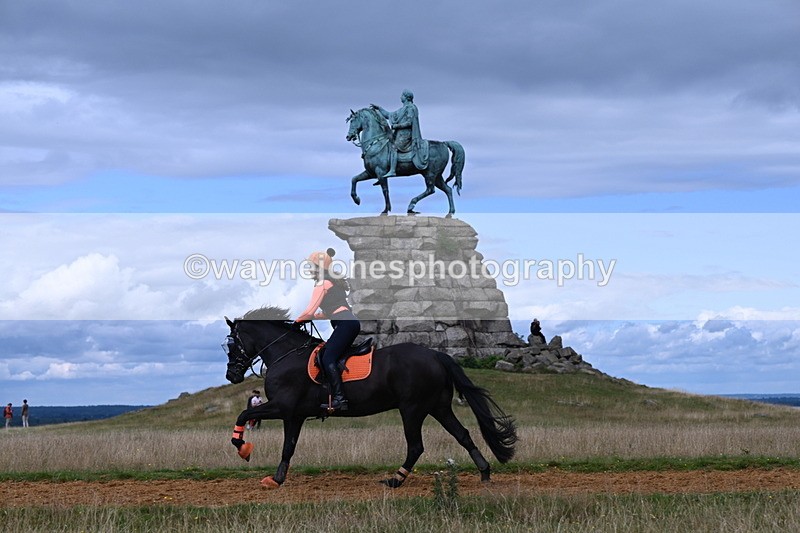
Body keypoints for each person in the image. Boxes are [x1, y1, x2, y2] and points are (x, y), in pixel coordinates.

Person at [295, 247, 360, 412]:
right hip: (348, 322)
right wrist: (316, 317)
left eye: (311, 266)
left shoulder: (322, 283)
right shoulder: (333, 282)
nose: (309, 269)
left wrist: (295, 323)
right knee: (330, 355)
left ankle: (340, 399)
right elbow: (331, 310)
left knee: (327, 357)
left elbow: (309, 311)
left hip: (345, 324)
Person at [370, 90, 428, 178]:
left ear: (406, 97)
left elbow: (409, 122)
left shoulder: (411, 108)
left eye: (402, 95)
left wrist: (397, 126)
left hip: (406, 135)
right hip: (399, 134)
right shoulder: (402, 109)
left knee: (393, 147)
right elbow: (389, 115)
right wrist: (379, 108)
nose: (400, 97)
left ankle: (392, 170)